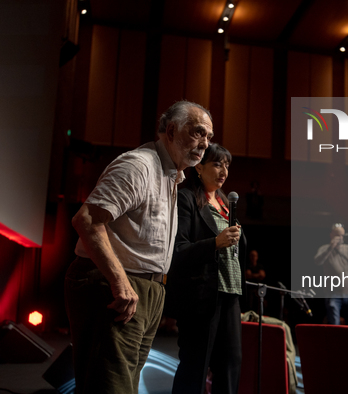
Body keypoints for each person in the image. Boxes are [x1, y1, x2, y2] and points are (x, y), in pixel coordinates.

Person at [65, 100, 212, 393]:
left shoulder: (170, 175)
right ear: (171, 130)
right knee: (110, 387)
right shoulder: (139, 165)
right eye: (198, 133)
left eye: (209, 137)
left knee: (126, 385)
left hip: (147, 291)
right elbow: (87, 219)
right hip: (115, 285)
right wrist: (119, 282)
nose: (205, 143)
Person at [166, 143, 245, 394]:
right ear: (199, 167)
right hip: (200, 297)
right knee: (196, 366)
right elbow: (178, 250)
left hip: (230, 293)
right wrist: (215, 243)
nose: (224, 171)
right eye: (217, 164)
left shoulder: (224, 202)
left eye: (227, 165)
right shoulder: (187, 198)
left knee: (231, 363)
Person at [314, 223, 348, 325]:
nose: (340, 238)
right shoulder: (325, 248)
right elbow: (317, 261)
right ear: (331, 235)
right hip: (333, 293)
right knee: (334, 322)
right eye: (337, 235)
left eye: (342, 235)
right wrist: (331, 247)